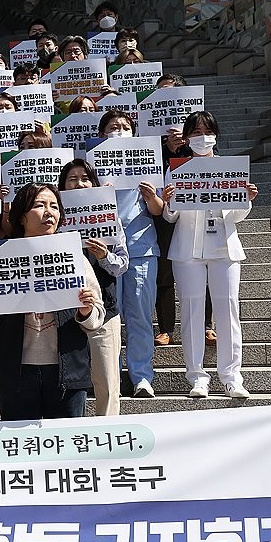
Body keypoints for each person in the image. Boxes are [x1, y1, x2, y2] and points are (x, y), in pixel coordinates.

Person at [0, 183, 105, 419]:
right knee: (21, 451)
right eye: (40, 205)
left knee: (67, 449)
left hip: (67, 372)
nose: (49, 212)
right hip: (15, 374)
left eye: (54, 206)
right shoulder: (0, 257)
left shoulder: (73, 257)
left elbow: (96, 320)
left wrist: (86, 310)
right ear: (22, 216)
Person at [161, 111, 258, 399]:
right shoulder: (177, 168)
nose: (201, 137)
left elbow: (237, 214)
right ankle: (197, 377)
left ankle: (231, 376)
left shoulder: (231, 167)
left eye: (206, 131)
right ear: (187, 138)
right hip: (187, 248)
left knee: (228, 310)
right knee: (191, 311)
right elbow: (171, 216)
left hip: (224, 246)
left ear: (215, 134)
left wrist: (247, 199)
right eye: (195, 132)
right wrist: (168, 201)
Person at [95, 110, 165, 399]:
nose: (119, 131)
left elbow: (159, 210)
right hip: (104, 252)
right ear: (102, 135)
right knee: (107, 319)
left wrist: (151, 197)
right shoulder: (92, 168)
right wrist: (100, 192)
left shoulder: (146, 166)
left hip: (140, 248)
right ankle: (109, 376)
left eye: (125, 127)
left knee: (139, 316)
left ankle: (141, 376)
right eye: (113, 127)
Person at [58, 159, 129, 416]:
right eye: (72, 179)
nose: (79, 183)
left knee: (108, 382)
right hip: (64, 314)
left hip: (105, 311)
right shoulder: (55, 219)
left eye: (85, 178)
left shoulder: (109, 218)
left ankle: (108, 439)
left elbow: (122, 265)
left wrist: (103, 257)